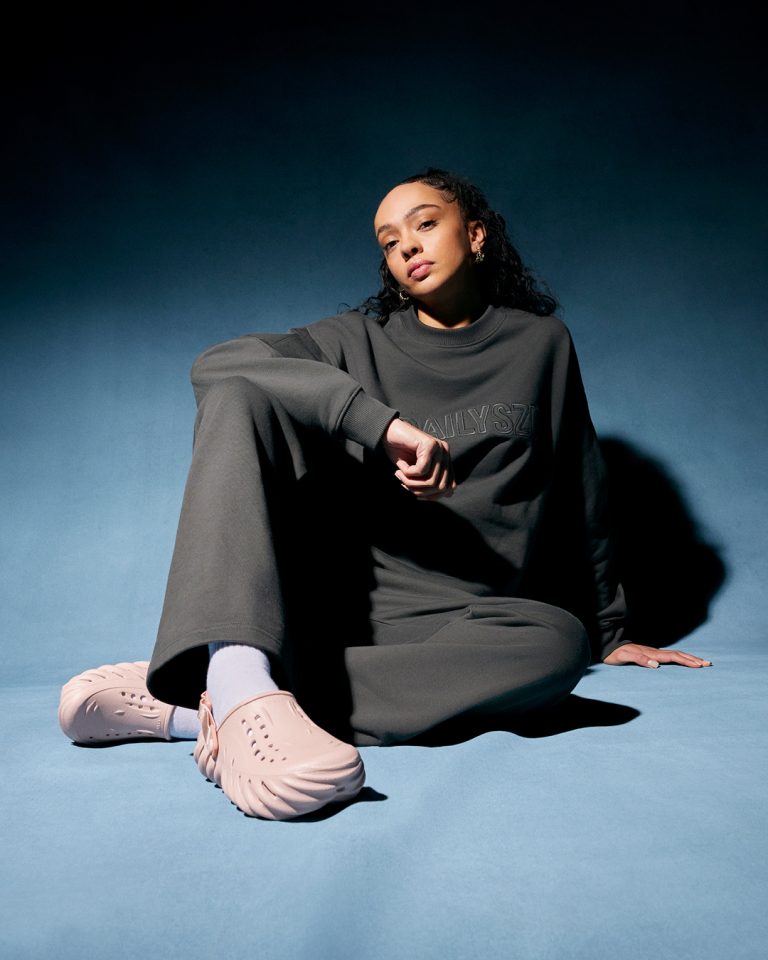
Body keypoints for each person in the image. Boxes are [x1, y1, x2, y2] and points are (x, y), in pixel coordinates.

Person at [59, 167, 712, 821]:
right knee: (238, 394)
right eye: (390, 240)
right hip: (348, 615)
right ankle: (239, 681)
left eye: (425, 224)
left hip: (474, 623)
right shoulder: (355, 340)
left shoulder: (543, 345)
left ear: (476, 235)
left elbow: (582, 488)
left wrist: (609, 631)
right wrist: (377, 424)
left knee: (560, 646)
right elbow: (216, 363)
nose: (408, 246)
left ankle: (204, 704)